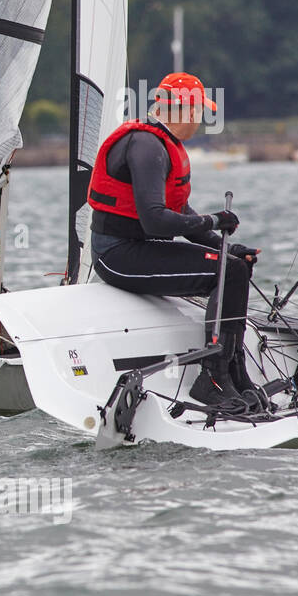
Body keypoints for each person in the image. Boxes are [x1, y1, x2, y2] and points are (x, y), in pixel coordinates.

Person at [87, 72, 261, 409]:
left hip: (139, 248)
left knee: (236, 266)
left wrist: (224, 244)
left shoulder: (162, 144)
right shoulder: (146, 146)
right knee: (228, 272)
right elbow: (155, 221)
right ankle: (211, 379)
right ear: (182, 110)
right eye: (197, 112)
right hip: (117, 255)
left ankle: (233, 370)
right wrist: (214, 219)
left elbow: (179, 211)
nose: (198, 120)